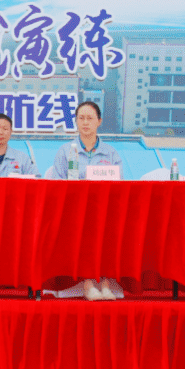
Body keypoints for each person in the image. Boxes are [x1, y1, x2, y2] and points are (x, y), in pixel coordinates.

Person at [47, 101, 124, 301]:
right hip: (74, 210)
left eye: (90, 118)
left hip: (104, 209)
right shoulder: (65, 151)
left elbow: (119, 185)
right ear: (76, 121)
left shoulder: (111, 153)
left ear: (99, 121)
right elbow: (57, 184)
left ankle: (106, 284)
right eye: (81, 118)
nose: (85, 122)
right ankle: (88, 284)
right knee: (83, 226)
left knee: (109, 228)